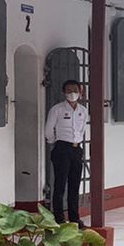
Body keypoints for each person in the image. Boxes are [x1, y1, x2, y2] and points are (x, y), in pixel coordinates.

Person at [44, 78, 89, 223]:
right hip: (62, 148)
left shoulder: (83, 110)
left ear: (80, 92)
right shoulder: (57, 109)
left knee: (75, 185)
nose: (72, 93)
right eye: (69, 91)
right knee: (60, 184)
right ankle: (59, 218)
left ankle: (75, 218)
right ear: (64, 92)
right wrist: (54, 143)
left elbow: (82, 129)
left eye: (75, 91)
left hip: (76, 149)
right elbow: (49, 130)